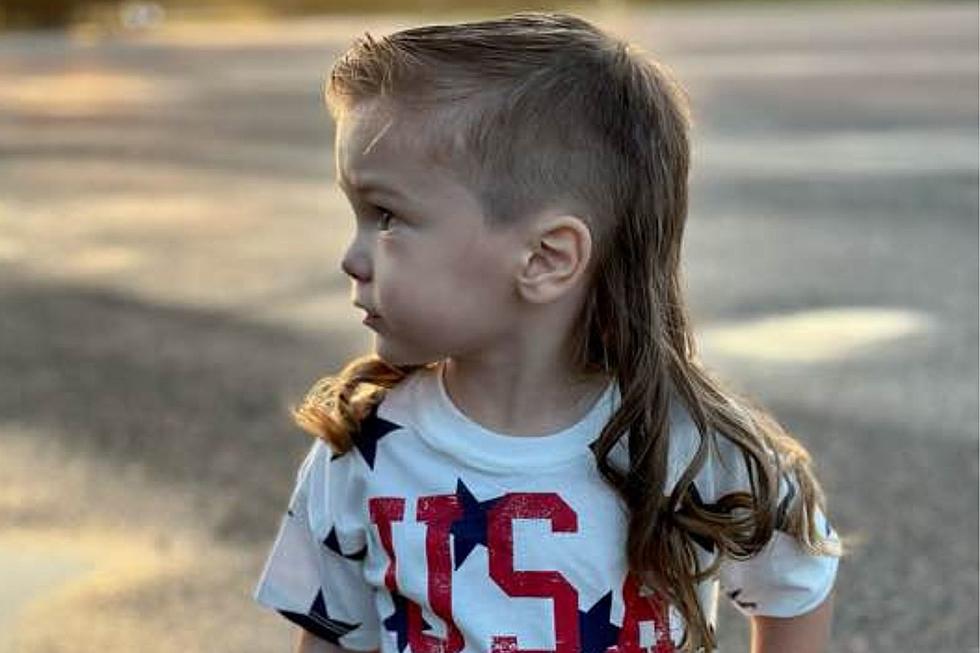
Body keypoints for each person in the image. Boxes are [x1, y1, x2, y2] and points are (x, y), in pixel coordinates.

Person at [253, 11, 847, 653]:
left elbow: (796, 585)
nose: (352, 256)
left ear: (545, 258)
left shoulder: (689, 443)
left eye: (387, 216)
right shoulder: (363, 448)